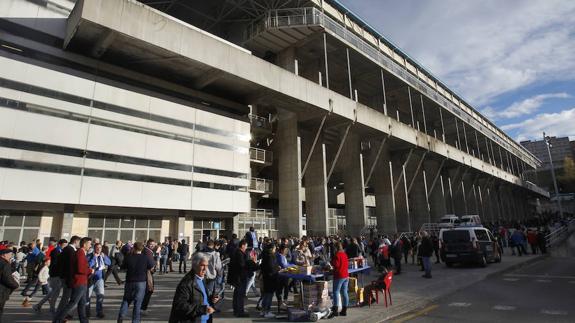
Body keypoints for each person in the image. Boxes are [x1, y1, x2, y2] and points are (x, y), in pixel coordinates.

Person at [169, 253, 218, 323]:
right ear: (195, 265)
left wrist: (211, 299)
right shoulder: (186, 283)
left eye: (207, 265)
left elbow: (201, 298)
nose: (205, 269)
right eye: (202, 265)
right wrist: (202, 309)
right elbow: (180, 306)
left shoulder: (202, 279)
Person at [53, 237, 93, 323]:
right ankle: (58, 319)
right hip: (79, 282)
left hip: (83, 282)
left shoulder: (81, 252)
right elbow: (80, 269)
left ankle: (84, 321)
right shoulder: (80, 253)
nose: (90, 246)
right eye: (89, 244)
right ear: (84, 244)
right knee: (73, 302)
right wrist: (90, 270)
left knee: (82, 303)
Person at [118, 242, 156, 323]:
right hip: (141, 282)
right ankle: (135, 321)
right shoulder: (145, 258)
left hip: (129, 281)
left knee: (126, 300)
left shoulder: (128, 257)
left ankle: (121, 316)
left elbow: (122, 267)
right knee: (138, 303)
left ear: (134, 248)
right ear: (142, 249)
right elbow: (152, 266)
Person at [34, 239, 67, 313]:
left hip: (56, 275)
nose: (65, 246)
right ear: (60, 244)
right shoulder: (56, 252)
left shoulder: (60, 251)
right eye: (64, 245)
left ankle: (39, 305)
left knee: (52, 293)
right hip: (55, 275)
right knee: (55, 293)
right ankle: (51, 309)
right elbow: (55, 264)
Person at [228, 240, 258, 317]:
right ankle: (239, 312)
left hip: (238, 277)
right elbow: (242, 265)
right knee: (239, 295)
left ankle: (237, 311)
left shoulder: (238, 253)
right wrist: (252, 262)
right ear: (242, 246)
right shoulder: (239, 253)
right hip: (239, 277)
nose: (246, 247)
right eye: (246, 246)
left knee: (237, 295)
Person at [54, 235, 81, 319]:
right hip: (67, 277)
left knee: (66, 298)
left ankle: (61, 315)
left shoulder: (66, 249)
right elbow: (70, 267)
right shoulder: (70, 250)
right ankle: (59, 316)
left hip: (64, 276)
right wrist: (70, 280)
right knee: (65, 298)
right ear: (76, 241)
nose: (79, 244)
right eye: (79, 242)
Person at [87, 242, 111, 318]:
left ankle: (99, 312)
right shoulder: (89, 256)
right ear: (94, 248)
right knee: (87, 297)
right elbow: (88, 265)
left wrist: (104, 257)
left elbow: (109, 263)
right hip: (90, 278)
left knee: (100, 296)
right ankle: (87, 312)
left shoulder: (102, 255)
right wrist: (94, 257)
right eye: (97, 248)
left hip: (99, 278)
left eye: (100, 248)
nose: (98, 249)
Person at [329, 242, 349, 318]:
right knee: (344, 292)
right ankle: (344, 310)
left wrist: (331, 264)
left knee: (336, 292)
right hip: (346, 275)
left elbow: (336, 265)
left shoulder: (337, 255)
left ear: (336, 248)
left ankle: (335, 310)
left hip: (339, 275)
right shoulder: (344, 254)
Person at [260, 243, 279, 318]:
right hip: (270, 277)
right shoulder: (271, 256)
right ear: (271, 249)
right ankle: (267, 311)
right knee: (269, 295)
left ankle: (263, 311)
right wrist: (277, 269)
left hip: (266, 277)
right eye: (274, 248)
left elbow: (263, 266)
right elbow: (271, 267)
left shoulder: (265, 255)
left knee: (265, 295)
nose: (275, 250)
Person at [0, 248, 20, 318]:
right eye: (10, 254)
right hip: (2, 291)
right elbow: (7, 278)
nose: (11, 256)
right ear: (4, 255)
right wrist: (16, 285)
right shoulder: (5, 264)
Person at [141, 239, 157, 313]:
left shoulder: (147, 250)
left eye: (153, 244)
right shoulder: (148, 252)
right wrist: (154, 268)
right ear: (147, 244)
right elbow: (150, 265)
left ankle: (141, 307)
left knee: (146, 290)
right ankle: (143, 308)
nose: (152, 245)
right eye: (151, 244)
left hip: (145, 273)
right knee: (149, 290)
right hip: (147, 273)